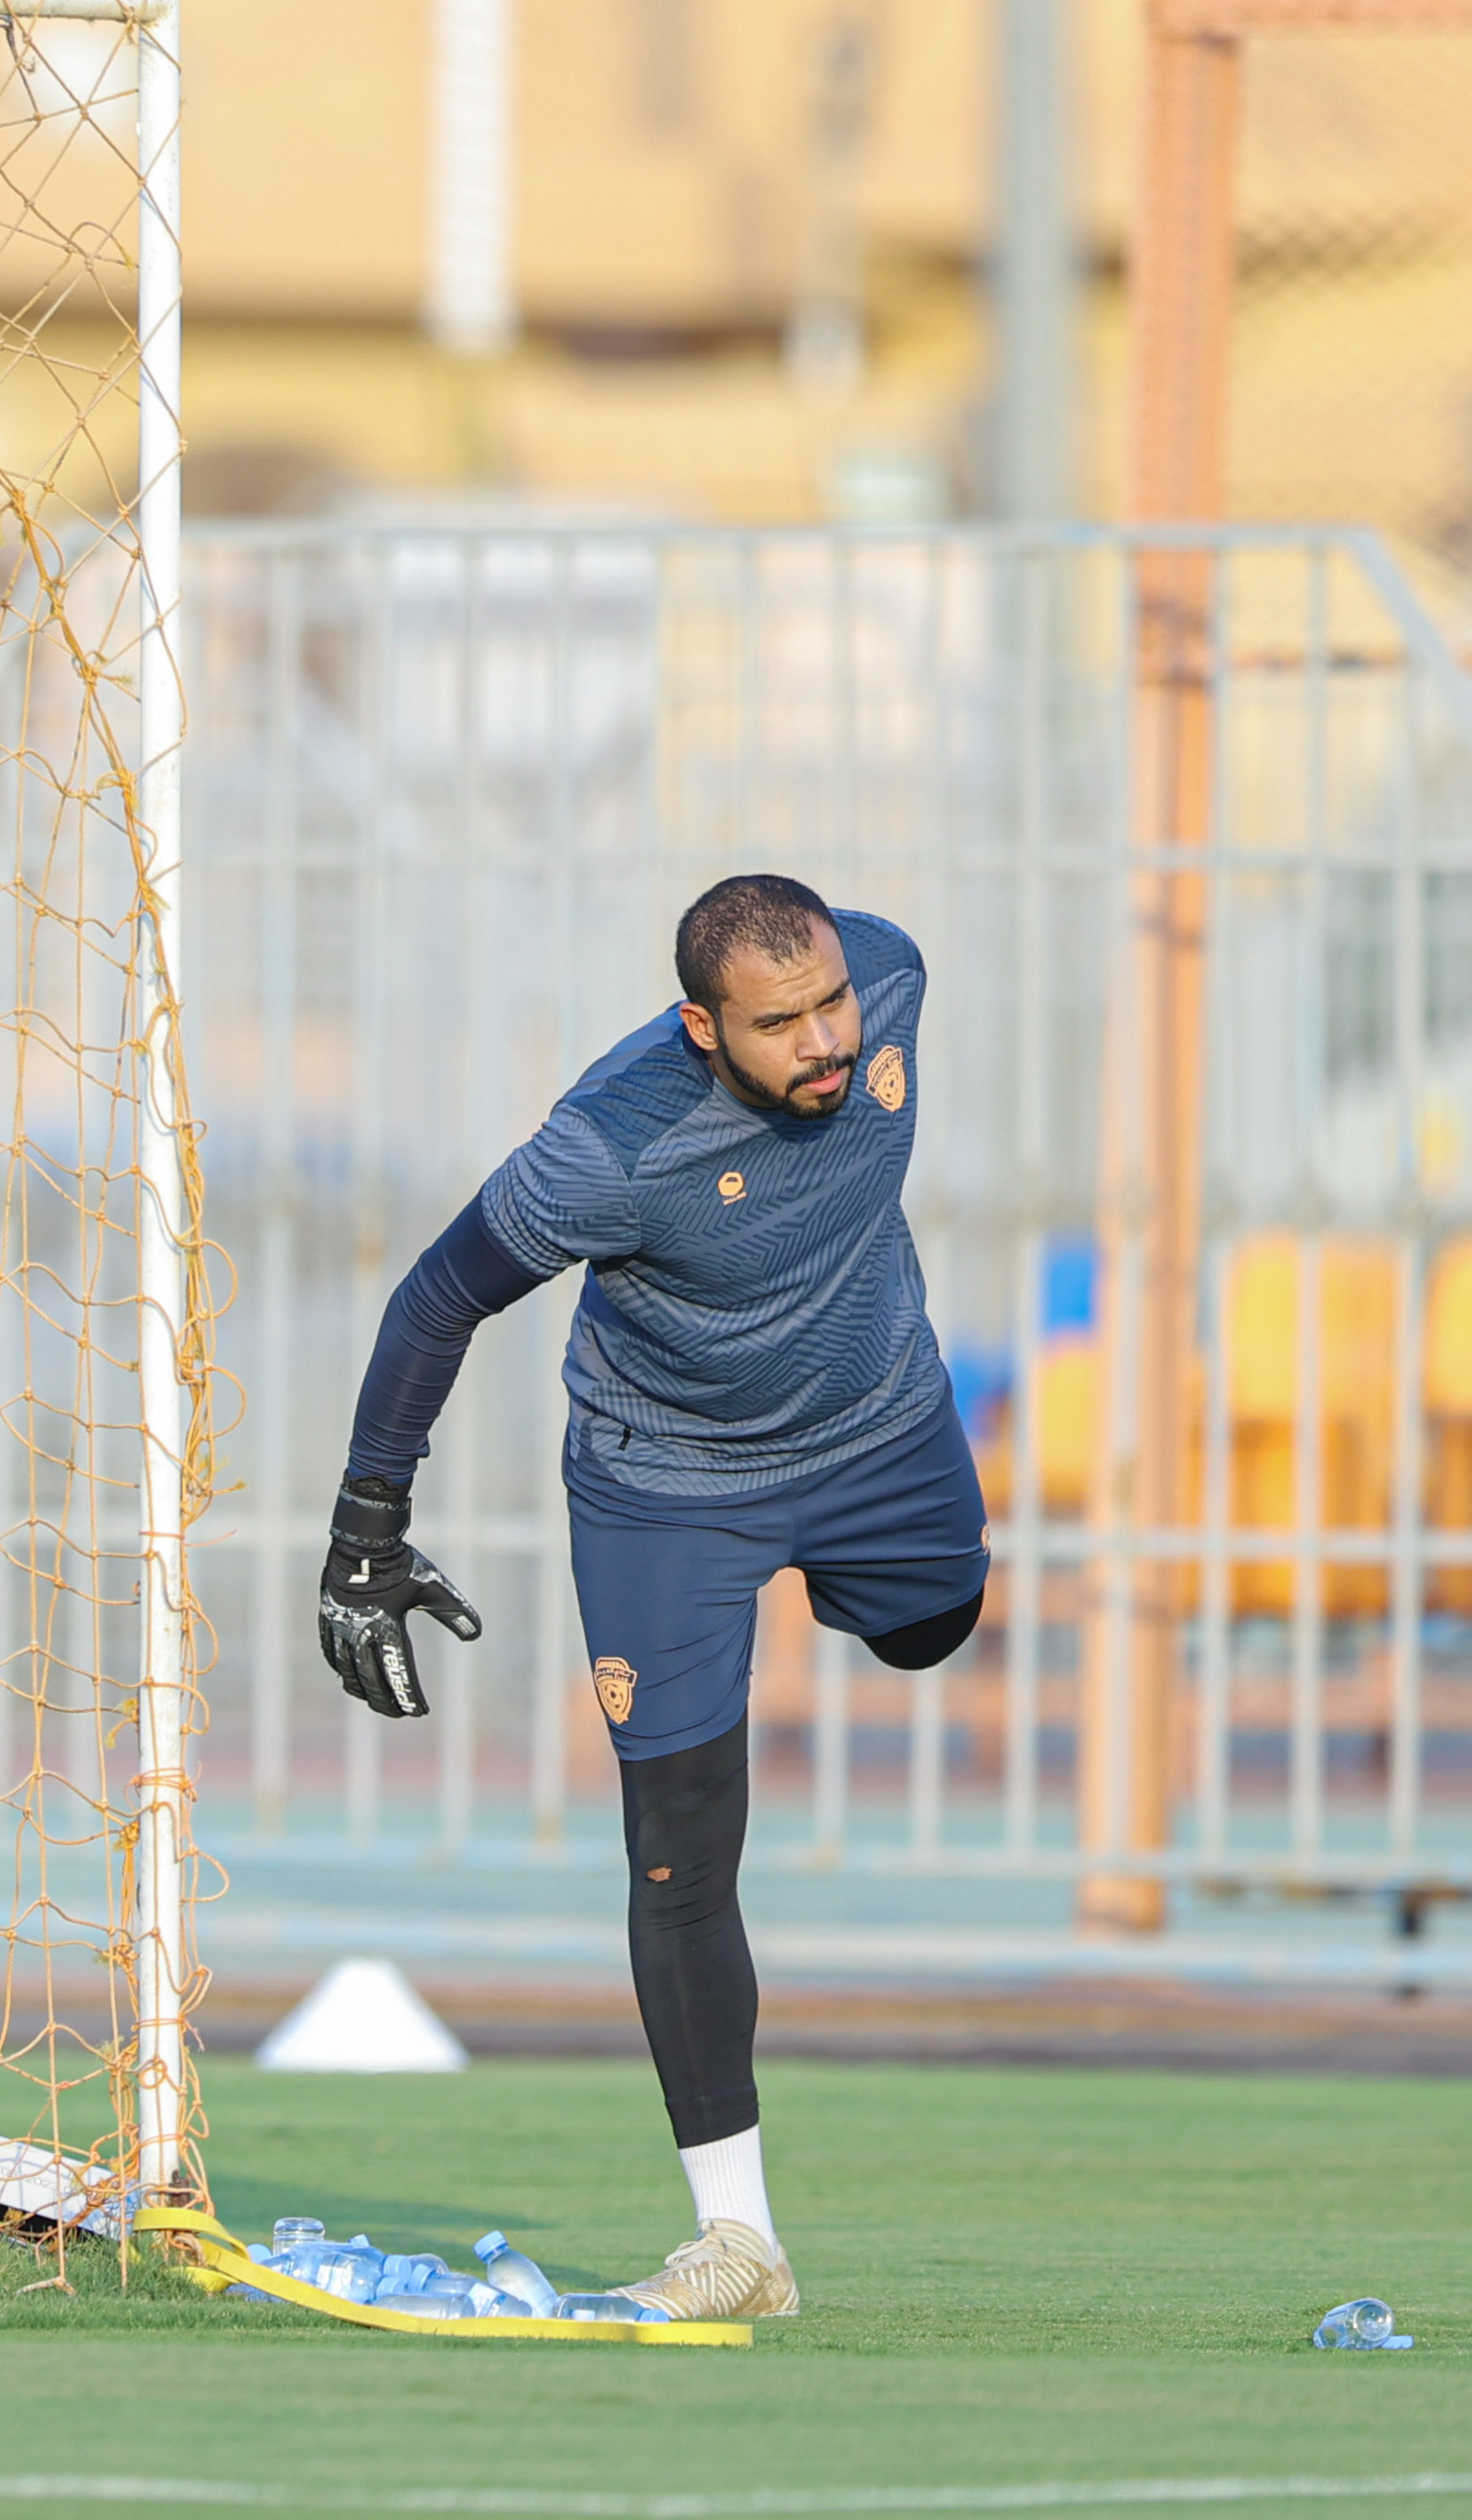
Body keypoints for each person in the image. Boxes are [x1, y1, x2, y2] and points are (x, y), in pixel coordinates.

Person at [318, 873, 986, 2324]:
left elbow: (860, 1010)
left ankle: (848, 1576)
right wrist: (369, 1521)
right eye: (776, 1023)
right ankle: (739, 2239)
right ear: (700, 1026)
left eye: (829, 1005)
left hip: (879, 1424)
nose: (823, 1039)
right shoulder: (608, 1147)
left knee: (937, 1623)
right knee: (680, 1849)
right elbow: (438, 1297)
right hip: (668, 1487)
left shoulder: (896, 974)